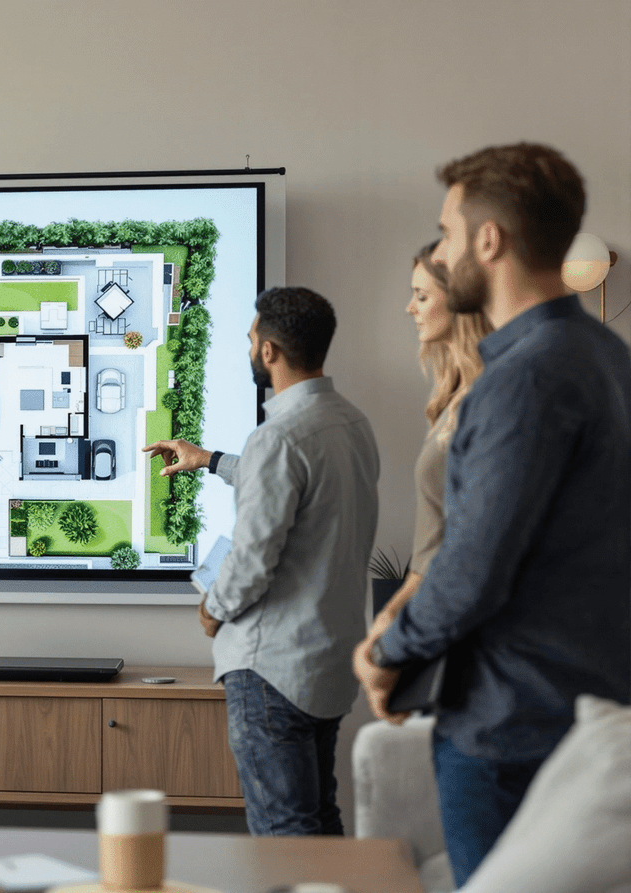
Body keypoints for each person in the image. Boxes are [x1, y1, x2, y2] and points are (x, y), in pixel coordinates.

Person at [355, 143, 631, 886]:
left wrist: (385, 651)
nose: (442, 255)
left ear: (489, 239)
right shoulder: (607, 356)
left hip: (512, 728)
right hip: (584, 709)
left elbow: (472, 566)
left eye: (447, 233)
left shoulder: (522, 380)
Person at [143, 286, 379, 836]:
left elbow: (252, 560)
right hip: (324, 665)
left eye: (251, 338)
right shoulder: (350, 424)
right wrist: (210, 461)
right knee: (318, 820)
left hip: (270, 670)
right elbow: (299, 487)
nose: (249, 348)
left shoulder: (278, 438)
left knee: (282, 834)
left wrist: (213, 610)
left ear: (269, 349)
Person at [359, 243, 491, 643]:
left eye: (421, 296)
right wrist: (389, 619)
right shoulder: (450, 396)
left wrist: (401, 634)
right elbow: (430, 551)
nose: (409, 308)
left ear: (460, 301)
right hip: (438, 612)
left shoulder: (491, 397)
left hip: (465, 627)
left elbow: (468, 547)